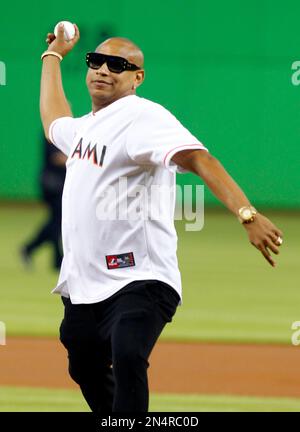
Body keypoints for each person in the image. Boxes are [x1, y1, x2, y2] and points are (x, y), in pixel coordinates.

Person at [40, 23, 283, 413]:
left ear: (137, 78)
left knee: (129, 352)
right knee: (83, 365)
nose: (103, 69)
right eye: (96, 61)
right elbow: (54, 121)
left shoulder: (142, 117)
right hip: (86, 283)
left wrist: (246, 214)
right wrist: (53, 57)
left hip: (142, 277)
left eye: (117, 64)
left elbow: (200, 159)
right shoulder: (85, 128)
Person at [21, 134, 66, 270]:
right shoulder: (52, 133)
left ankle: (55, 259)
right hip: (52, 183)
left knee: (56, 221)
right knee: (57, 221)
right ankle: (31, 248)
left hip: (58, 182)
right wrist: (79, 158)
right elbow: (56, 158)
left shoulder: (65, 130)